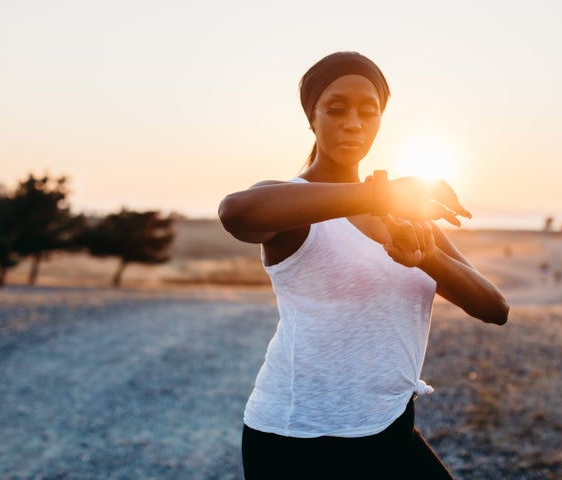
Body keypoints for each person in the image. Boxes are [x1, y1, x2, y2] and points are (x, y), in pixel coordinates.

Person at [218, 51, 510, 479]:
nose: (353, 122)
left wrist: (427, 257)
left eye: (368, 112)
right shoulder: (293, 205)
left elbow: (494, 309)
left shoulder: (409, 217)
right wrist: (379, 193)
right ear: (311, 118)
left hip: (388, 427)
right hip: (297, 440)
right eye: (336, 109)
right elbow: (235, 213)